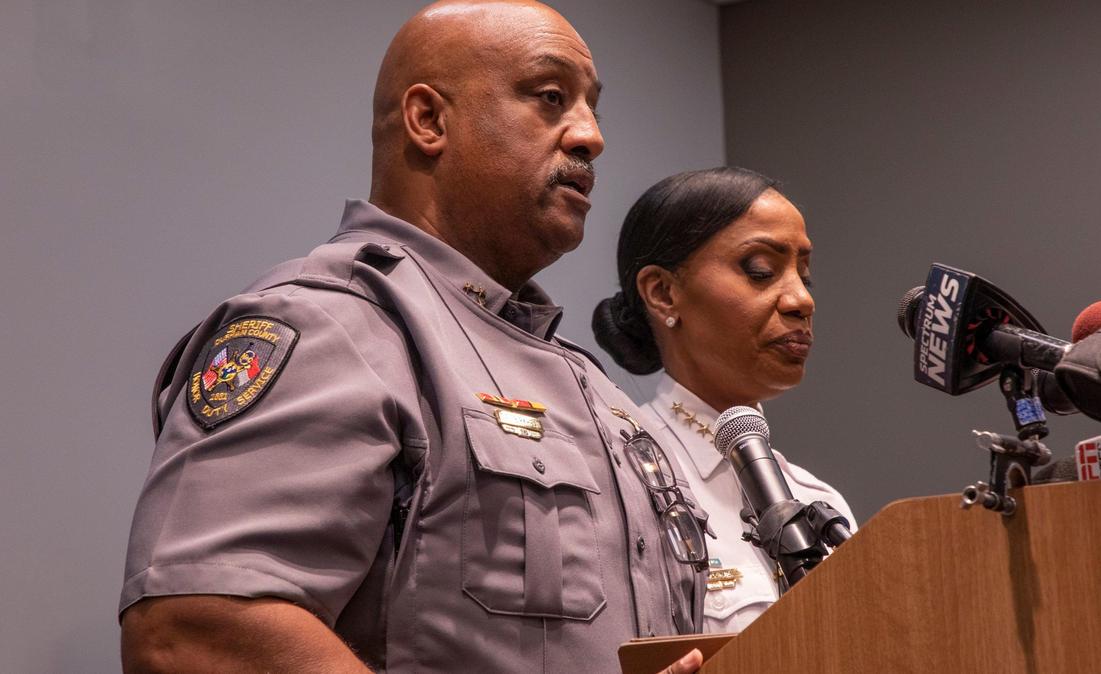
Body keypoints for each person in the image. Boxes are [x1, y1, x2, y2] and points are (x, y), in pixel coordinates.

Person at [118, 2, 709, 672]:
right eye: (550, 97)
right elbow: (195, 629)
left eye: (592, 108)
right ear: (429, 120)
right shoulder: (334, 326)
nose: (590, 136)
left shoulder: (590, 386)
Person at [592, 167, 857, 633]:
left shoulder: (820, 502)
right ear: (663, 293)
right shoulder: (613, 477)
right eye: (761, 271)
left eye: (805, 277)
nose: (802, 300)